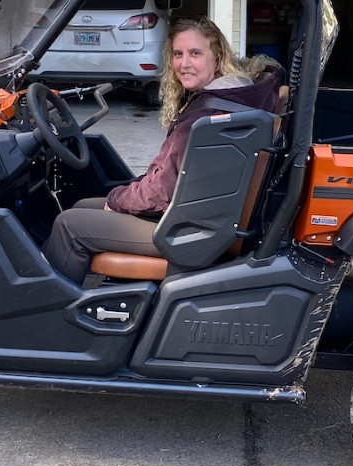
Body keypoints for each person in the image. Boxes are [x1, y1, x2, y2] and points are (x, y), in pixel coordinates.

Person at [43, 16, 280, 284]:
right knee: (83, 206)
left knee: (69, 226)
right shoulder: (232, 99)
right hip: (199, 219)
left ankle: (51, 311)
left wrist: (118, 199)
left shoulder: (209, 115)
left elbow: (160, 193)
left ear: (217, 56)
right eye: (178, 54)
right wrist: (123, 196)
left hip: (185, 232)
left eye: (195, 54)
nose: (184, 63)